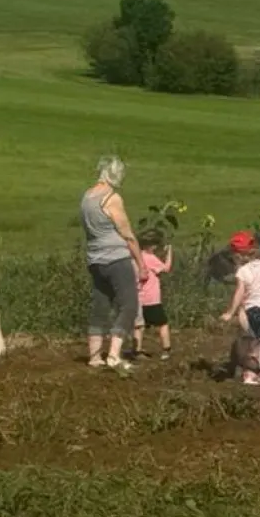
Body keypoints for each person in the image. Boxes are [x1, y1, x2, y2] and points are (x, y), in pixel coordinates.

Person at [83, 155, 147, 373]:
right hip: (116, 259)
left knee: (100, 306)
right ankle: (113, 355)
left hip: (95, 259)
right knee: (128, 305)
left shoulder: (87, 197)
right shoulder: (112, 198)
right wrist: (142, 264)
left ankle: (94, 356)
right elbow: (127, 234)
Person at [221, 231, 260, 348]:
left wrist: (230, 313)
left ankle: (253, 357)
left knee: (257, 339)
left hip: (252, 312)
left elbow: (239, 292)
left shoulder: (243, 271)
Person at [131, 229, 173, 361]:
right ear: (153, 245)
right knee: (163, 323)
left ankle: (137, 350)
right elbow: (166, 268)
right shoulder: (150, 258)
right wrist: (169, 253)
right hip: (152, 299)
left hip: (139, 298)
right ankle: (166, 349)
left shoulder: (136, 257)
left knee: (139, 325)